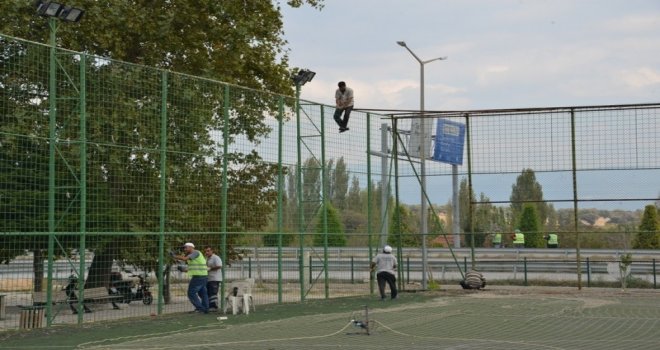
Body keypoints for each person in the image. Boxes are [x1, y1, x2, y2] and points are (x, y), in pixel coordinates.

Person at [173, 242, 209, 314]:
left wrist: (175, 256)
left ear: (191, 247)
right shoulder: (193, 256)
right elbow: (193, 268)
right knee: (203, 293)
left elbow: (185, 258)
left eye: (186, 247)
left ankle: (200, 309)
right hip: (203, 276)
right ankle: (205, 309)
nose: (185, 249)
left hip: (198, 277)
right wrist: (183, 270)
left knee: (191, 293)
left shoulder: (195, 253)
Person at [204, 246, 223, 311]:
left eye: (208, 251)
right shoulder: (207, 258)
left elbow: (219, 266)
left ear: (212, 251)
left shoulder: (216, 257)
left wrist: (210, 268)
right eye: (206, 251)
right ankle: (209, 306)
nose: (206, 252)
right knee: (209, 292)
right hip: (209, 278)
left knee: (213, 292)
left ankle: (214, 307)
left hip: (215, 278)